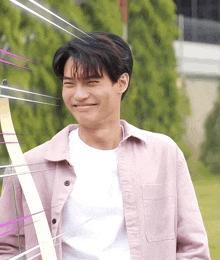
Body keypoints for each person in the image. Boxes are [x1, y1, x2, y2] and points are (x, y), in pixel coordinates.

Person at [0, 32, 211, 259]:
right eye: (69, 84)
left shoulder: (163, 155)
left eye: (91, 82)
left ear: (122, 82)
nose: (78, 95)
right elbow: (7, 248)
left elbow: (193, 248)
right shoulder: (31, 166)